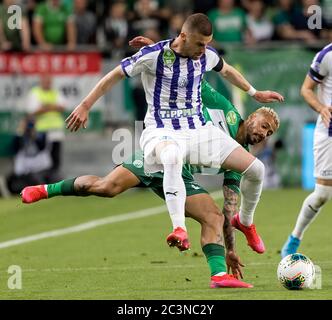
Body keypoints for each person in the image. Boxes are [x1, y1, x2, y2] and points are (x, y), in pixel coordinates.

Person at [21, 81, 280, 289]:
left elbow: (229, 206)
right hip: (160, 152)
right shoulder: (224, 109)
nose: (263, 133)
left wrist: (231, 249)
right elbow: (192, 80)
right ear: (252, 115)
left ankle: (219, 275)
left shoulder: (240, 157)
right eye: (264, 125)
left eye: (269, 134)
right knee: (105, 188)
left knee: (213, 216)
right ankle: (45, 190)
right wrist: (161, 58)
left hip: (181, 175)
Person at [61, 13, 284, 253]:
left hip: (198, 131)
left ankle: (245, 222)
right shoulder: (153, 55)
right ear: (184, 36)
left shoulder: (205, 56)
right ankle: (179, 228)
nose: (204, 49)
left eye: (207, 44)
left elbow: (227, 70)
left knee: (257, 169)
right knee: (169, 159)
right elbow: (114, 75)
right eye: (200, 43)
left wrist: (254, 93)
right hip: (162, 130)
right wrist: (85, 105)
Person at [281, 43, 332, 257]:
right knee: (322, 194)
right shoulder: (327, 55)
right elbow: (306, 89)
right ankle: (295, 237)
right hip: (329, 131)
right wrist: (322, 109)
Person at [27, 74, 67, 181]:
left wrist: (46, 106)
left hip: (56, 131)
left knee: (55, 157)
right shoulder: (35, 93)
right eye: (45, 81)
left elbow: (62, 106)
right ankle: (42, 179)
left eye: (49, 81)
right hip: (42, 132)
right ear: (41, 81)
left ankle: (54, 179)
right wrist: (52, 106)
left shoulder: (55, 92)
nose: (48, 83)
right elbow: (33, 110)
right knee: (43, 158)